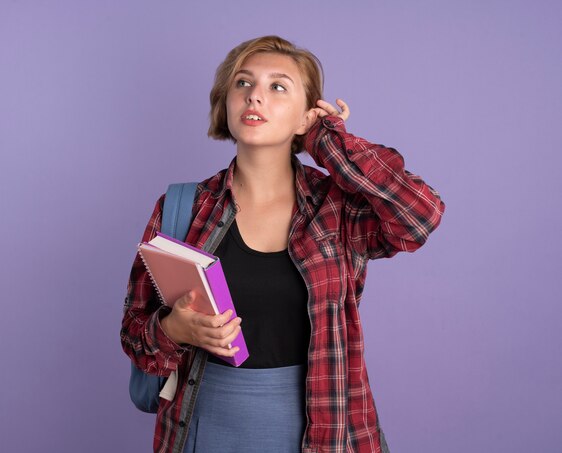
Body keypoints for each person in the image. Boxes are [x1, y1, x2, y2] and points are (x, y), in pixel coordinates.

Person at [121, 35, 445, 453]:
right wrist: (172, 329)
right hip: (202, 430)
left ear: (305, 117)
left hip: (326, 433)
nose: (255, 95)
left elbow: (420, 216)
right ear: (226, 103)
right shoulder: (183, 207)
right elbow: (133, 332)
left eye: (278, 86)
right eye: (243, 83)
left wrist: (329, 142)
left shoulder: (337, 208)